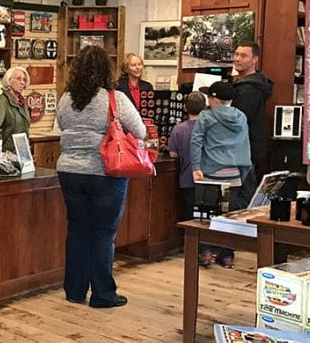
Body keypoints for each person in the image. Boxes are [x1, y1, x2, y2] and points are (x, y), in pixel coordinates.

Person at [56, 45, 146, 308]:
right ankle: (103, 294)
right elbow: (139, 131)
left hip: (69, 170)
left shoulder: (66, 98)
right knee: (103, 233)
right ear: (106, 70)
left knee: (77, 230)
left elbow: (62, 126)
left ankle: (74, 290)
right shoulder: (114, 98)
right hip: (105, 171)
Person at [190, 81, 252, 268]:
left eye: (210, 97)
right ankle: (227, 256)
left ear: (215, 99)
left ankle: (206, 253)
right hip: (233, 174)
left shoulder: (205, 116)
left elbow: (196, 141)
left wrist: (195, 166)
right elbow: (245, 144)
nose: (208, 100)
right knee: (229, 216)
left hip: (210, 173)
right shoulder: (241, 117)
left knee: (206, 214)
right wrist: (244, 170)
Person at [231, 42, 273, 205]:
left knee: (241, 202)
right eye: (236, 54)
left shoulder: (248, 90)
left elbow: (237, 122)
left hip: (242, 152)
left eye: (243, 55)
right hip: (246, 151)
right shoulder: (248, 85)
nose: (237, 59)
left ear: (255, 59)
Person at [167, 92, 207, 220]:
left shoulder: (178, 129)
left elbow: (173, 154)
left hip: (187, 179)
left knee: (190, 217)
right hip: (209, 177)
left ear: (185, 108)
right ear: (205, 107)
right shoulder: (210, 127)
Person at [0, 66, 31, 153]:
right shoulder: (2, 100)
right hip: (7, 154)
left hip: (22, 153)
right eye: (18, 79)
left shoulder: (22, 101)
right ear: (9, 81)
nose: (22, 82)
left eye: (24, 80)